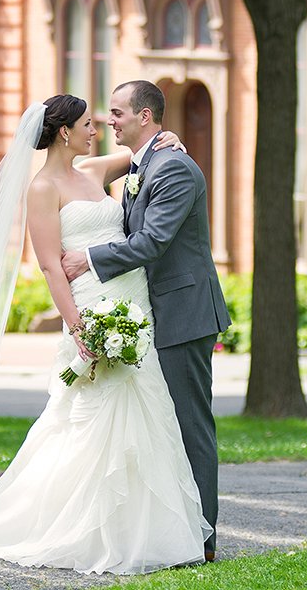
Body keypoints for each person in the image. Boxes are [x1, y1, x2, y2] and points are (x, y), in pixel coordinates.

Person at [0, 94, 211, 573]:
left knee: (149, 413)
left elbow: (141, 152)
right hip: (88, 301)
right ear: (65, 132)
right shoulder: (43, 188)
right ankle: (76, 524)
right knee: (92, 416)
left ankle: (147, 529)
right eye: (89, 123)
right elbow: (49, 264)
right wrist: (78, 324)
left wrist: (170, 137)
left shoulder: (93, 170)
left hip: (134, 301)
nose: (98, 128)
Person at [60, 80, 230, 562]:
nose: (108, 120)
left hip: (184, 314)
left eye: (117, 113)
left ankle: (203, 539)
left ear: (145, 117)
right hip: (157, 313)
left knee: (190, 427)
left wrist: (87, 258)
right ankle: (173, 531)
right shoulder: (144, 161)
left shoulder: (172, 167)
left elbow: (152, 241)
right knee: (163, 426)